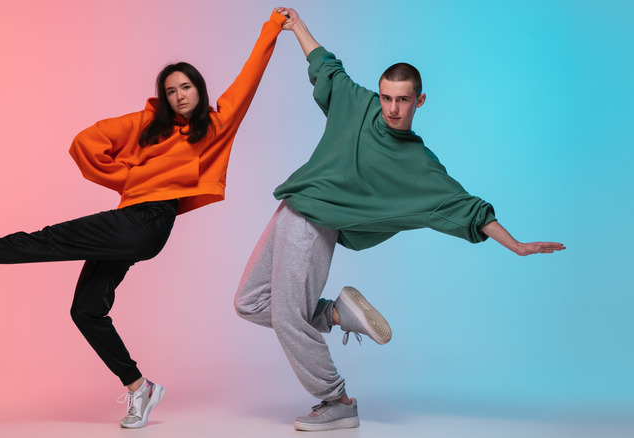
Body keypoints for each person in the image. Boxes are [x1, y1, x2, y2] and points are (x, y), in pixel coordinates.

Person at [0, 10, 288, 429]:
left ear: (199, 90)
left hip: (149, 223)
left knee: (51, 239)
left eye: (186, 87)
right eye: (171, 91)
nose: (180, 96)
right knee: (85, 311)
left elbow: (250, 76)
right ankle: (140, 388)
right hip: (130, 220)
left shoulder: (215, 126)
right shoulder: (150, 126)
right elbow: (86, 143)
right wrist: (128, 178)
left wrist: (275, 25)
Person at [234, 8, 565, 432]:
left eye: (402, 99)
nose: (392, 108)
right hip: (291, 209)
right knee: (250, 303)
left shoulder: (419, 165)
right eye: (387, 97)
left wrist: (515, 244)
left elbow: (464, 206)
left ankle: (336, 401)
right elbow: (326, 67)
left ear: (419, 100)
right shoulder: (358, 103)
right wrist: (297, 25)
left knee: (286, 317)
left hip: (315, 223)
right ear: (379, 93)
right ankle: (337, 314)